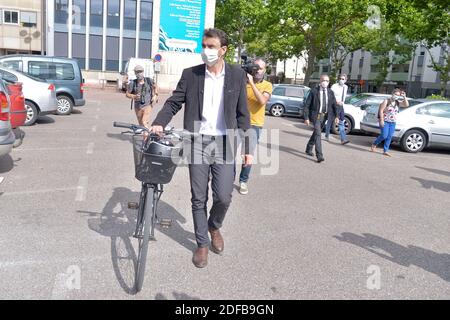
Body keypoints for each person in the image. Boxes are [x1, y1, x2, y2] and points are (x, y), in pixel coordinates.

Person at [149, 28, 252, 268]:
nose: (206, 51)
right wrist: (158, 123)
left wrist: (248, 147)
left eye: (211, 46)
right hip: (197, 142)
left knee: (224, 196)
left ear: (223, 50)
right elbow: (174, 102)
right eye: (204, 46)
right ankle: (202, 244)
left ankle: (214, 226)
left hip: (225, 142)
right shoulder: (191, 75)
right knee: (198, 196)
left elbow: (243, 114)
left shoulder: (237, 75)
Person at [238, 58, 272, 195]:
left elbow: (262, 101)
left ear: (265, 71)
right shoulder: (242, 82)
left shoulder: (267, 85)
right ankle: (226, 179)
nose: (258, 70)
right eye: (256, 67)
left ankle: (243, 181)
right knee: (229, 151)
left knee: (248, 156)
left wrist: (251, 83)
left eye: (261, 68)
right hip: (238, 121)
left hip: (254, 125)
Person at [304, 75, 339, 163]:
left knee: (316, 133)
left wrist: (337, 116)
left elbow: (334, 105)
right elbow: (307, 105)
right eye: (323, 80)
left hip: (325, 116)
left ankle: (309, 148)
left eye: (327, 80)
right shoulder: (314, 91)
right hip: (316, 115)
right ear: (320, 81)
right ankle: (319, 155)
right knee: (318, 134)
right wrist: (306, 117)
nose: (325, 82)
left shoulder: (330, 92)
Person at [370, 89, 409, 156]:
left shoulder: (397, 102)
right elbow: (381, 110)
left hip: (392, 122)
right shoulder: (386, 101)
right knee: (384, 135)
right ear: (392, 94)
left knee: (389, 136)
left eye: (398, 95)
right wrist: (381, 120)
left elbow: (406, 105)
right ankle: (374, 144)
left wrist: (404, 97)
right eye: (396, 94)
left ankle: (386, 150)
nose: (397, 96)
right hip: (385, 120)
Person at [328, 74, 350, 145]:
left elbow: (343, 98)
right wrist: (336, 101)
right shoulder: (334, 86)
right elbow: (330, 95)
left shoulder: (346, 87)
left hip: (341, 106)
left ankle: (343, 139)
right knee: (330, 120)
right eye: (340, 78)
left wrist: (341, 103)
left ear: (346, 80)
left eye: (343, 79)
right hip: (333, 105)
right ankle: (326, 134)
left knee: (341, 121)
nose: (341, 80)